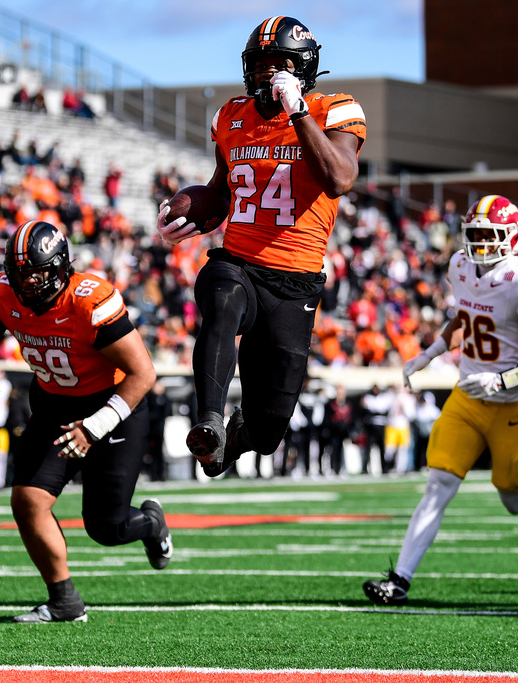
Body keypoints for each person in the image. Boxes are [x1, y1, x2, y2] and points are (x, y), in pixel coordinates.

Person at [363, 195, 518, 607]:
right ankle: (399, 580)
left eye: (488, 236)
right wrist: (430, 352)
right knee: (438, 485)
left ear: (512, 237)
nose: (479, 244)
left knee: (516, 499)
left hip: (514, 404)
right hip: (467, 397)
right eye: (473, 234)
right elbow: (465, 317)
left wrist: (503, 379)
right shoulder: (461, 266)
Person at [0, 220, 171, 624]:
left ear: (59, 267)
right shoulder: (8, 294)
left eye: (36, 272)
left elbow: (143, 374)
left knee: (106, 527)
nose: (26, 282)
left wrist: (95, 427)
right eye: (19, 272)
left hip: (112, 409)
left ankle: (150, 523)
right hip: (56, 406)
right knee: (27, 500)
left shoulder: (89, 301)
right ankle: (64, 600)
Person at [156, 16, 366, 477]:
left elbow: (339, 179)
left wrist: (299, 113)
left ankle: (230, 442)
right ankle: (209, 420)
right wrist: (191, 213)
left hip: (296, 281)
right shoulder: (231, 116)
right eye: (261, 63)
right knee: (222, 296)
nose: (269, 73)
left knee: (269, 431)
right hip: (240, 261)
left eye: (280, 64)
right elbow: (222, 189)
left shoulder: (336, 109)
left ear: (304, 68)